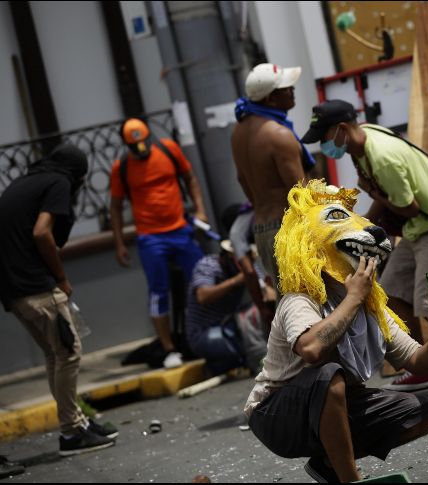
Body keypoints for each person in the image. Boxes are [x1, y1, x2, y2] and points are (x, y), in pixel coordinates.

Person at [244, 180, 428, 482]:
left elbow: (419, 362)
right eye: (336, 218)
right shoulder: (300, 299)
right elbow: (311, 349)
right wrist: (354, 297)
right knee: (329, 376)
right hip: (275, 414)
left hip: (330, 404)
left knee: (422, 412)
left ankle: (329, 464)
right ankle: (350, 480)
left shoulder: (371, 304)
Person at [300, 99, 428, 394]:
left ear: (341, 129)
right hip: (417, 230)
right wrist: (358, 226)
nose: (324, 146)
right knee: (392, 292)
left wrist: (365, 208)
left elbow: (409, 208)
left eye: (324, 138)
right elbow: (385, 197)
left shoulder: (382, 156)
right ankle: (421, 368)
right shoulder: (360, 147)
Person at [0, 144, 118, 456]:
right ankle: (71, 432)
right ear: (78, 175)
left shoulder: (27, 181)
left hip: (14, 288)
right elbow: (42, 233)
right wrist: (61, 277)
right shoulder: (59, 182)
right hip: (35, 285)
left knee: (56, 355)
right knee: (68, 353)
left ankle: (77, 422)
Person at [110, 118, 208, 369]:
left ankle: (206, 334)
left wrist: (199, 209)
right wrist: (119, 243)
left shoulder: (168, 150)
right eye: (135, 147)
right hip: (150, 237)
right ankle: (169, 349)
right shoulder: (121, 168)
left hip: (180, 229)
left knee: (203, 278)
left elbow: (190, 179)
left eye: (143, 144)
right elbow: (116, 207)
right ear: (127, 145)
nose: (141, 151)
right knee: (158, 291)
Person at [231, 63, 312, 302]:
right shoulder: (278, 135)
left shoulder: (238, 133)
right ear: (271, 99)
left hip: (263, 230)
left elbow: (242, 179)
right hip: (289, 229)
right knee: (314, 306)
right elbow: (301, 195)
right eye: (286, 88)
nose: (292, 91)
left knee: (291, 308)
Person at [185, 207, 269, 376]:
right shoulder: (208, 265)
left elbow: (266, 289)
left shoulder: (248, 266)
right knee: (246, 338)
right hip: (205, 332)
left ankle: (221, 365)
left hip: (230, 325)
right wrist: (236, 281)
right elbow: (202, 296)